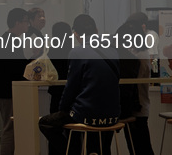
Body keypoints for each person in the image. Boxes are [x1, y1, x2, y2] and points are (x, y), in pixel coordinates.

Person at [39, 14, 120, 155]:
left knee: (45, 123)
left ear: (76, 34)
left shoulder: (77, 52)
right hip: (113, 115)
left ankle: (73, 152)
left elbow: (71, 87)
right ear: (96, 29)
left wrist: (62, 110)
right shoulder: (113, 50)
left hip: (87, 114)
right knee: (98, 144)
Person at [0, 8, 30, 155]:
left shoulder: (7, 38)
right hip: (9, 91)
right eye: (26, 22)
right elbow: (17, 68)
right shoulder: (11, 40)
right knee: (10, 129)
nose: (27, 25)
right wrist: (33, 60)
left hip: (4, 90)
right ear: (17, 22)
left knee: (10, 128)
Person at [122, 14, 156, 155]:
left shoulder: (139, 56)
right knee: (138, 146)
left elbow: (134, 82)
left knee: (139, 147)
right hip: (140, 106)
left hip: (138, 107)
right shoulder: (141, 53)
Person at [46, 22, 72, 114]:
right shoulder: (72, 51)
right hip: (71, 89)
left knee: (54, 117)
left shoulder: (52, 51)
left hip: (56, 88)